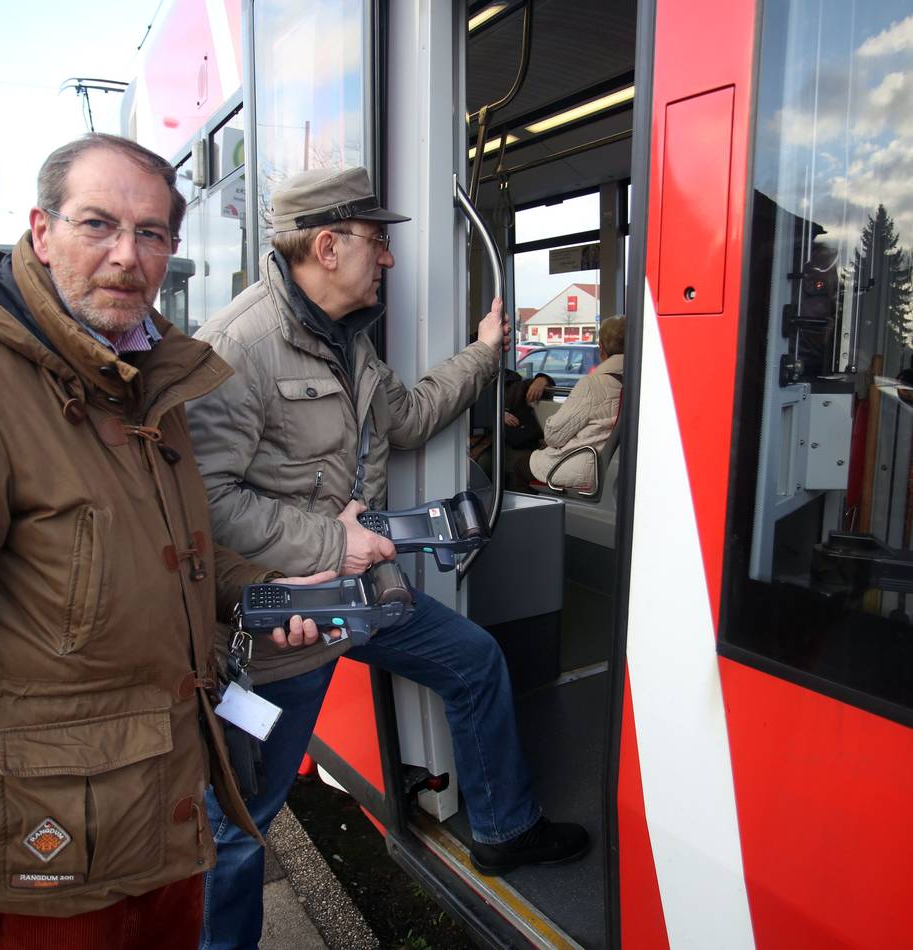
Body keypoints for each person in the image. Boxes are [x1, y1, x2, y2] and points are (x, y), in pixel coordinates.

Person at [187, 166, 590, 949]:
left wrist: (483, 355)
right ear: (327, 246)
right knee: (240, 820)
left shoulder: (349, 338)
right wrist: (330, 543)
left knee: (474, 660)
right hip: (283, 626)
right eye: (377, 241)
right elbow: (201, 502)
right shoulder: (239, 348)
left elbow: (404, 418)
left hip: (361, 594)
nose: (389, 258)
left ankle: (505, 828)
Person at [0, 133, 327, 950]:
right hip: (48, 850)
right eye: (97, 224)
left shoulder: (148, 371)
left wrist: (265, 589)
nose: (127, 256)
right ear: (41, 230)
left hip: (167, 808)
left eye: (152, 233)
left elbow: (168, 545)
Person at [522, 315, 625, 490]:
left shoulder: (592, 385)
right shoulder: (638, 381)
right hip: (608, 463)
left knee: (518, 466)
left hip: (582, 464)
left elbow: (554, 435)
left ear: (601, 347)